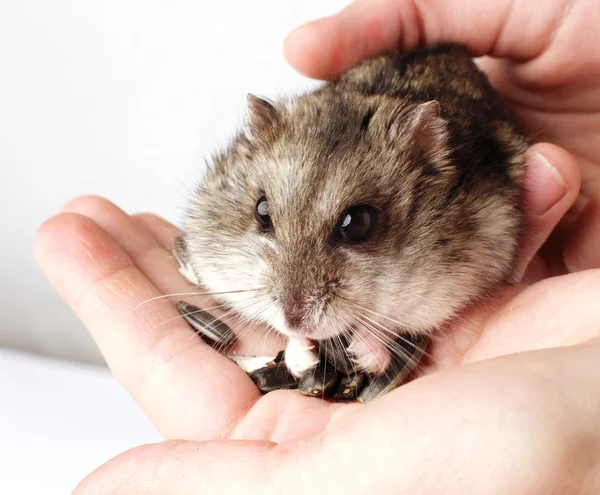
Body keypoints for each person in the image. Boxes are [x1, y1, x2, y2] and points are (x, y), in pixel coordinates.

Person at [35, 0, 600, 492]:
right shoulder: (257, 165)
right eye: (266, 218)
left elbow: (486, 241)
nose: (292, 302)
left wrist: (394, 331)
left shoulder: (450, 196)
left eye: (354, 226)